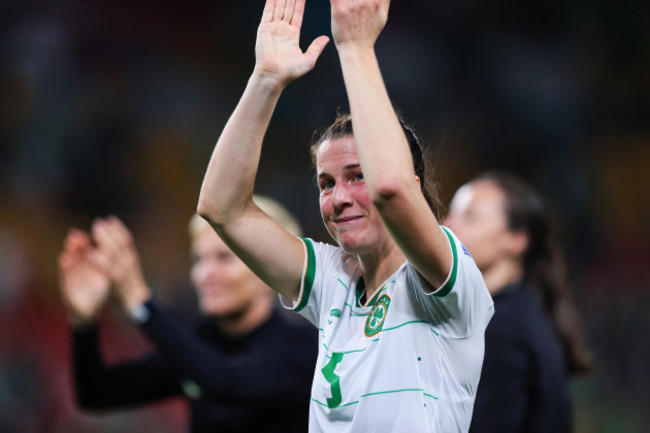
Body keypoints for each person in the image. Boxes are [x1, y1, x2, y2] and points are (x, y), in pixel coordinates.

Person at [196, 1, 493, 431]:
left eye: (357, 176)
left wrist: (356, 47)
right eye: (326, 183)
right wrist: (265, 81)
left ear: (412, 183)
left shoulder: (447, 280)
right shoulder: (334, 284)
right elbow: (221, 209)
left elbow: (391, 191)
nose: (338, 198)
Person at [58, 195, 318, 433]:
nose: (205, 274)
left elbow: (224, 383)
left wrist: (139, 300)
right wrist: (84, 324)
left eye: (224, 258)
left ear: (270, 270)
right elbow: (96, 394)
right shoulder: (202, 340)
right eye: (199, 260)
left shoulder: (303, 348)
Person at [445, 172, 592, 433]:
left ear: (515, 240)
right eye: (451, 214)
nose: (448, 225)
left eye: (470, 217)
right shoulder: (519, 314)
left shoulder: (502, 328)